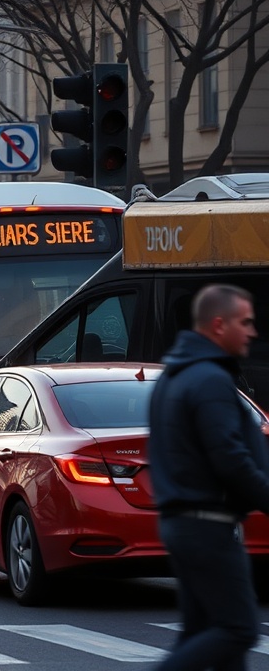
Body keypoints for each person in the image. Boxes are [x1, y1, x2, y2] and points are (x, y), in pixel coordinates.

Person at [149, 284, 269, 671]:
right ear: (219, 325)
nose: (253, 331)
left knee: (204, 635)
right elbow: (230, 459)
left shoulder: (172, 377)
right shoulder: (210, 379)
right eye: (245, 322)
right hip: (208, 527)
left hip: (184, 525)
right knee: (238, 629)